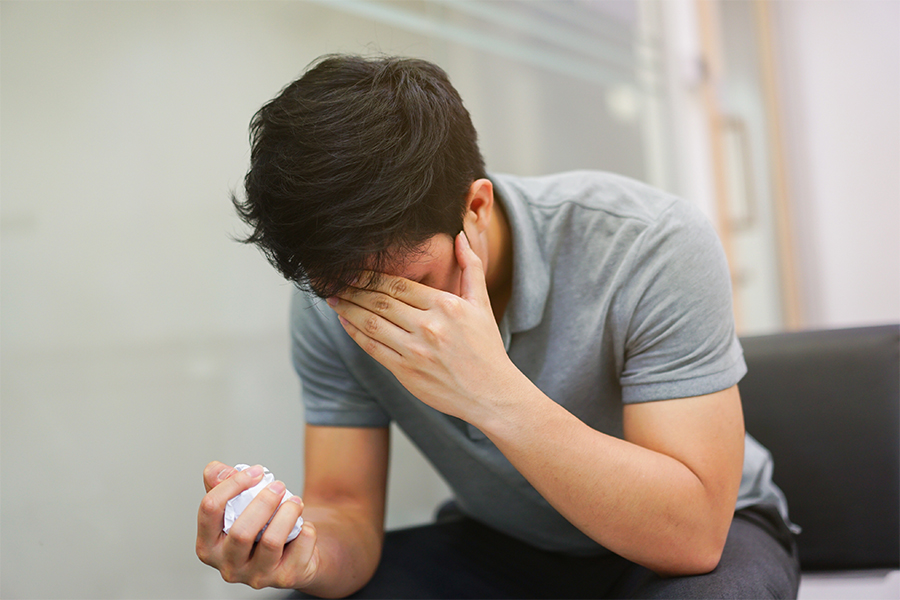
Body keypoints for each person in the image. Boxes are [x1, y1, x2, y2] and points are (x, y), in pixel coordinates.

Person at [196, 54, 800, 599]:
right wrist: (304, 555)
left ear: (475, 208)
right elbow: (346, 508)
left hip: (697, 534)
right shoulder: (329, 301)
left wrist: (492, 393)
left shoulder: (650, 246)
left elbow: (693, 535)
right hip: (507, 542)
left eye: (410, 285)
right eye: (342, 292)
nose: (379, 311)